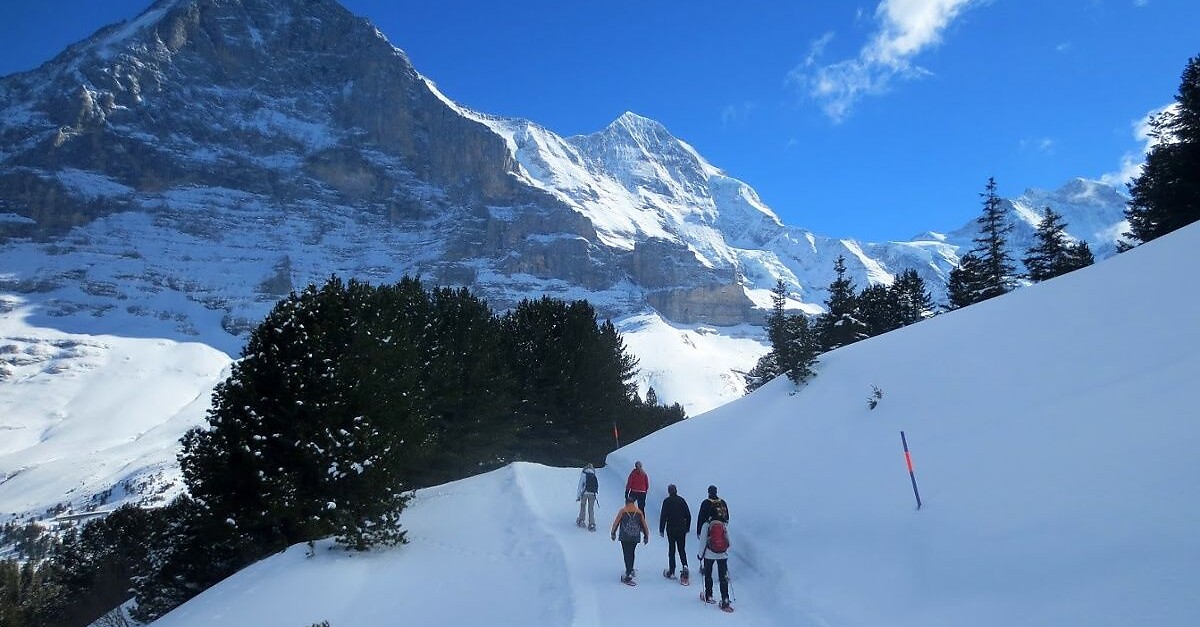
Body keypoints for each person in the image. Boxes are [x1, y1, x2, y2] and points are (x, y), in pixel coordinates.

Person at [610, 494, 649, 584]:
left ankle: (628, 573)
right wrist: (646, 536)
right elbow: (644, 525)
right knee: (632, 552)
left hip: (624, 536)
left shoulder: (623, 511)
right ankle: (630, 569)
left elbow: (616, 522)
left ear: (626, 502)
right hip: (635, 536)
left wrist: (613, 533)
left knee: (626, 553)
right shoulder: (639, 512)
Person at [658, 484, 691, 582]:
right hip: (681, 528)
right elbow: (688, 515)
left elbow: (663, 516)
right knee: (681, 549)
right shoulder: (682, 500)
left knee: (672, 549)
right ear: (676, 491)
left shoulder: (666, 501)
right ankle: (685, 566)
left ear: (669, 491)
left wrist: (661, 529)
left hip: (671, 528)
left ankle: (672, 571)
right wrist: (687, 527)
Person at [698, 515, 732, 610]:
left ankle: (709, 595)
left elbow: (703, 541)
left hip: (709, 554)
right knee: (723, 578)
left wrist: (700, 555)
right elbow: (729, 542)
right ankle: (725, 599)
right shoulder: (723, 524)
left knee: (708, 575)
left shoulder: (706, 525)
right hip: (722, 555)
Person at [576, 463, 598, 530]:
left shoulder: (584, 474)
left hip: (584, 493)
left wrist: (578, 496)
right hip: (592, 494)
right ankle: (592, 523)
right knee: (591, 509)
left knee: (583, 507)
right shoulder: (593, 474)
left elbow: (580, 486)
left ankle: (581, 520)